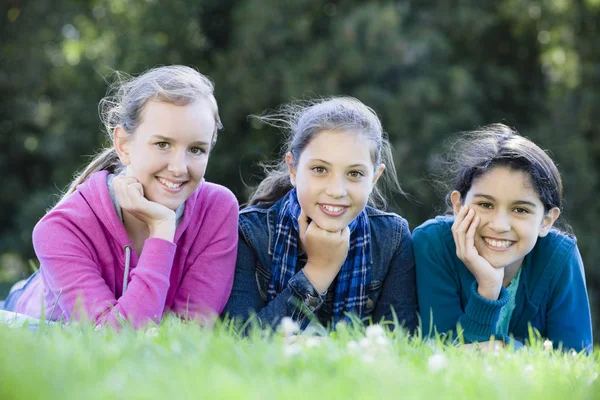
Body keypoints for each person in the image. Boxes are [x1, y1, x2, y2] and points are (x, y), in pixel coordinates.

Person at [1, 65, 239, 329]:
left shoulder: (217, 209)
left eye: (196, 149)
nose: (179, 167)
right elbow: (114, 339)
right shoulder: (59, 229)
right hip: (27, 320)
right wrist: (161, 231)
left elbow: (190, 333)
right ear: (124, 145)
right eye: (162, 144)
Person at [222, 97, 418, 332]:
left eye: (355, 173)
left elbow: (397, 342)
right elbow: (239, 339)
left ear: (374, 178)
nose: (336, 191)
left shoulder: (392, 239)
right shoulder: (250, 233)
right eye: (319, 170)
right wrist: (318, 271)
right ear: (293, 169)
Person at [413, 123, 593, 352]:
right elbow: (442, 353)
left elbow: (574, 362)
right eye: (485, 204)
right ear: (458, 205)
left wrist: (503, 349)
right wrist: (488, 288)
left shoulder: (560, 257)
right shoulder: (432, 244)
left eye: (520, 210)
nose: (499, 226)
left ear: (546, 221)